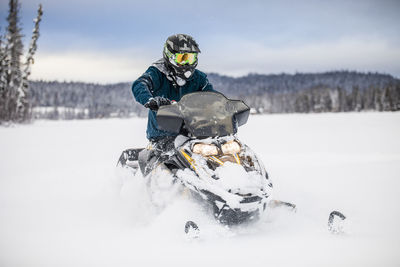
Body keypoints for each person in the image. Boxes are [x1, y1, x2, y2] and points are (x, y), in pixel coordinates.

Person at [132, 34, 217, 156]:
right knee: (172, 163)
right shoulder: (157, 72)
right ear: (170, 57)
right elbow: (140, 84)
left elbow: (211, 94)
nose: (187, 63)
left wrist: (221, 106)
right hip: (163, 134)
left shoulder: (198, 78)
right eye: (182, 58)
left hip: (196, 132)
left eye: (191, 58)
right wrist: (150, 100)